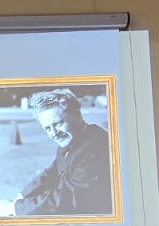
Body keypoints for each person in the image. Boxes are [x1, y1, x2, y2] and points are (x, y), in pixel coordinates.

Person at [12, 88, 113, 217]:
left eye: (59, 123)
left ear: (77, 115)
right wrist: (23, 195)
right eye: (48, 128)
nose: (54, 134)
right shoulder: (74, 139)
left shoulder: (95, 147)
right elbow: (52, 171)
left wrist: (19, 208)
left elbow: (68, 198)